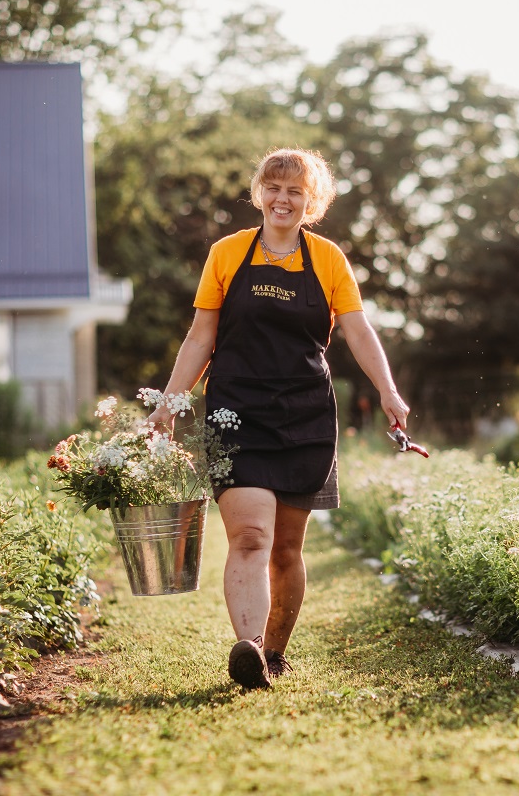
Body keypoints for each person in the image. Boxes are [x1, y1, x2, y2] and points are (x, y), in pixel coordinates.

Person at [148, 147, 410, 690]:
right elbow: (202, 336)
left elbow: (358, 331)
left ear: (310, 201)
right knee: (249, 536)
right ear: (258, 193)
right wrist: (171, 403)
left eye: (295, 191)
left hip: (306, 415)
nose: (282, 198)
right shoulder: (227, 254)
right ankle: (247, 648)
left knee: (287, 549)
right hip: (235, 412)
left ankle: (274, 651)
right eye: (273, 187)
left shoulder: (328, 259)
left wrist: (388, 390)